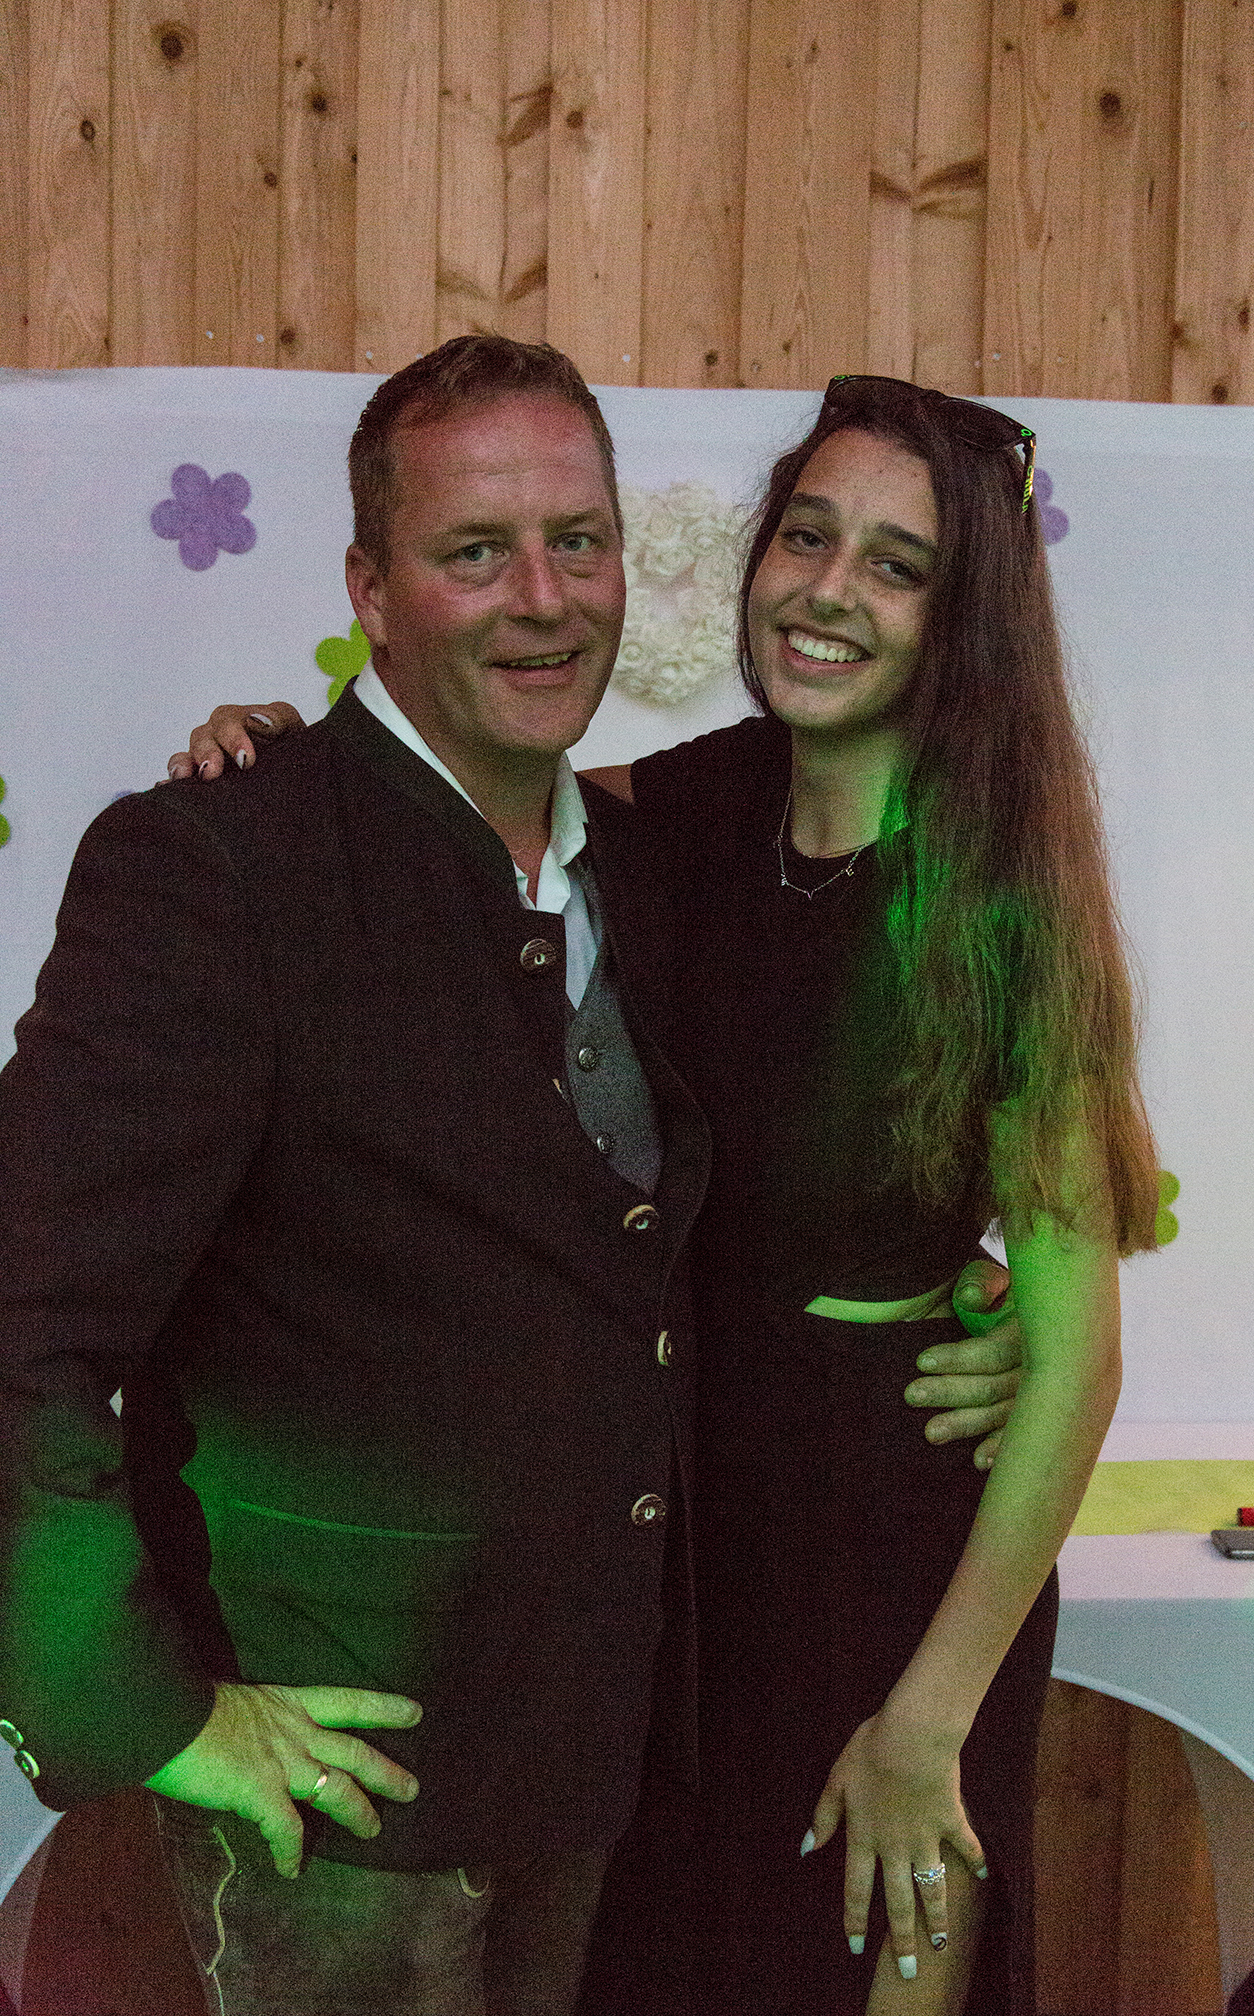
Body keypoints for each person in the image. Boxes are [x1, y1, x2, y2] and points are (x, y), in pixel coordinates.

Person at [0, 338, 1017, 2016]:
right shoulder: (217, 863)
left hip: (606, 1766)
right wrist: (151, 1717)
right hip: (343, 1802)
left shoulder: (657, 858)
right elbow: (23, 1311)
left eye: (578, 542)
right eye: (476, 552)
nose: (543, 600)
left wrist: (980, 1300)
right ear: (371, 589)